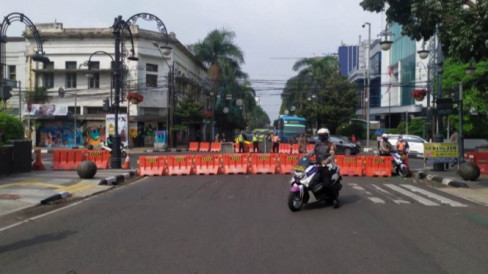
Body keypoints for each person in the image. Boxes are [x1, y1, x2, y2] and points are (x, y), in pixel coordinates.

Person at [305, 128, 340, 208]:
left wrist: (326, 161)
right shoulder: (317, 143)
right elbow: (312, 151)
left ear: (327, 135)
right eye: (320, 135)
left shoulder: (331, 144)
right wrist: (305, 156)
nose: (321, 137)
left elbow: (332, 155)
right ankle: (314, 196)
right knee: (310, 181)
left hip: (327, 166)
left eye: (323, 135)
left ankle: (335, 199)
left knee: (327, 184)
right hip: (317, 165)